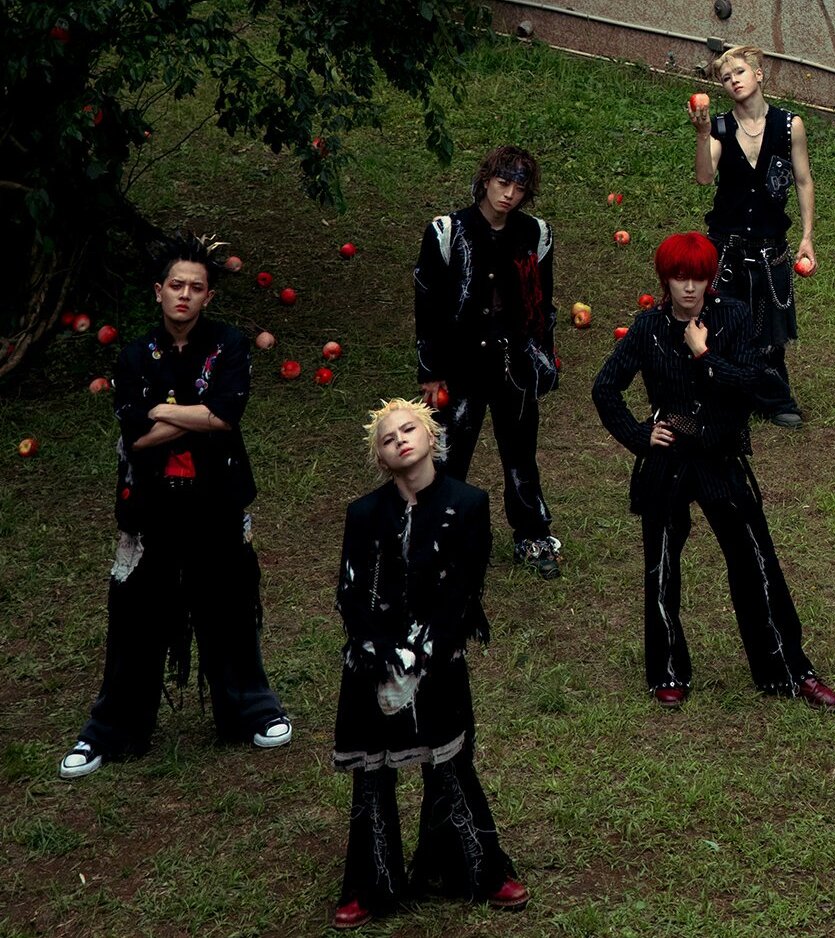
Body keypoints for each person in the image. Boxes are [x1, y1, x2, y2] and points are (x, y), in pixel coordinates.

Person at [58, 233, 291, 780]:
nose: (185, 295)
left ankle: (251, 711)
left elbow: (227, 414)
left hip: (217, 499)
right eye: (176, 285)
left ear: (209, 296)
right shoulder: (134, 355)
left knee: (230, 606)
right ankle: (111, 729)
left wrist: (166, 411)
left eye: (196, 287)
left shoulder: (229, 344)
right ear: (158, 291)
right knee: (134, 616)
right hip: (151, 504)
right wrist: (198, 414)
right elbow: (134, 433)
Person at [591, 232, 835, 711]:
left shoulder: (734, 316)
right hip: (669, 459)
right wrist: (640, 435)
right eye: (680, 278)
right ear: (665, 280)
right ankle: (667, 671)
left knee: (756, 561)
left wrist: (705, 355)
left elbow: (755, 383)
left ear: (710, 279)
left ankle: (789, 670)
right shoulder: (648, 327)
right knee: (662, 565)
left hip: (720, 458)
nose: (689, 288)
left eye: (698, 278)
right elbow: (605, 388)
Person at [330, 399, 528, 929]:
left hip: (438, 653)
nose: (399, 439)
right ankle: (370, 883)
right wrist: (381, 652)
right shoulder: (363, 513)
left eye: (408, 429)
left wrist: (424, 651)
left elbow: (465, 589)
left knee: (450, 765)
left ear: (431, 436)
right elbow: (351, 593)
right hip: (374, 661)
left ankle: (477, 869)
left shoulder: (468, 503)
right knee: (372, 775)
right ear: (380, 457)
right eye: (387, 437)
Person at [413, 145, 562, 579]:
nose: (509, 194)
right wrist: (431, 371)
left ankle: (532, 535)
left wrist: (543, 363)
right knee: (448, 454)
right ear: (485, 181)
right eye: (503, 183)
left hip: (514, 366)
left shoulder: (536, 234)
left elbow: (542, 304)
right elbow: (427, 305)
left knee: (520, 455)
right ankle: (438, 537)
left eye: (519, 188)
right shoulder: (446, 231)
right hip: (459, 367)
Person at [688, 45, 816, 428]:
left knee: (770, 334)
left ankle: (775, 400)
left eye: (740, 72)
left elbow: (803, 180)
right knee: (722, 326)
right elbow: (704, 177)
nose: (734, 81)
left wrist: (807, 237)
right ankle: (722, 397)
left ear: (758, 75)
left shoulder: (789, 126)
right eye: (726, 78)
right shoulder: (720, 127)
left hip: (770, 247)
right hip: (726, 247)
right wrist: (703, 135)